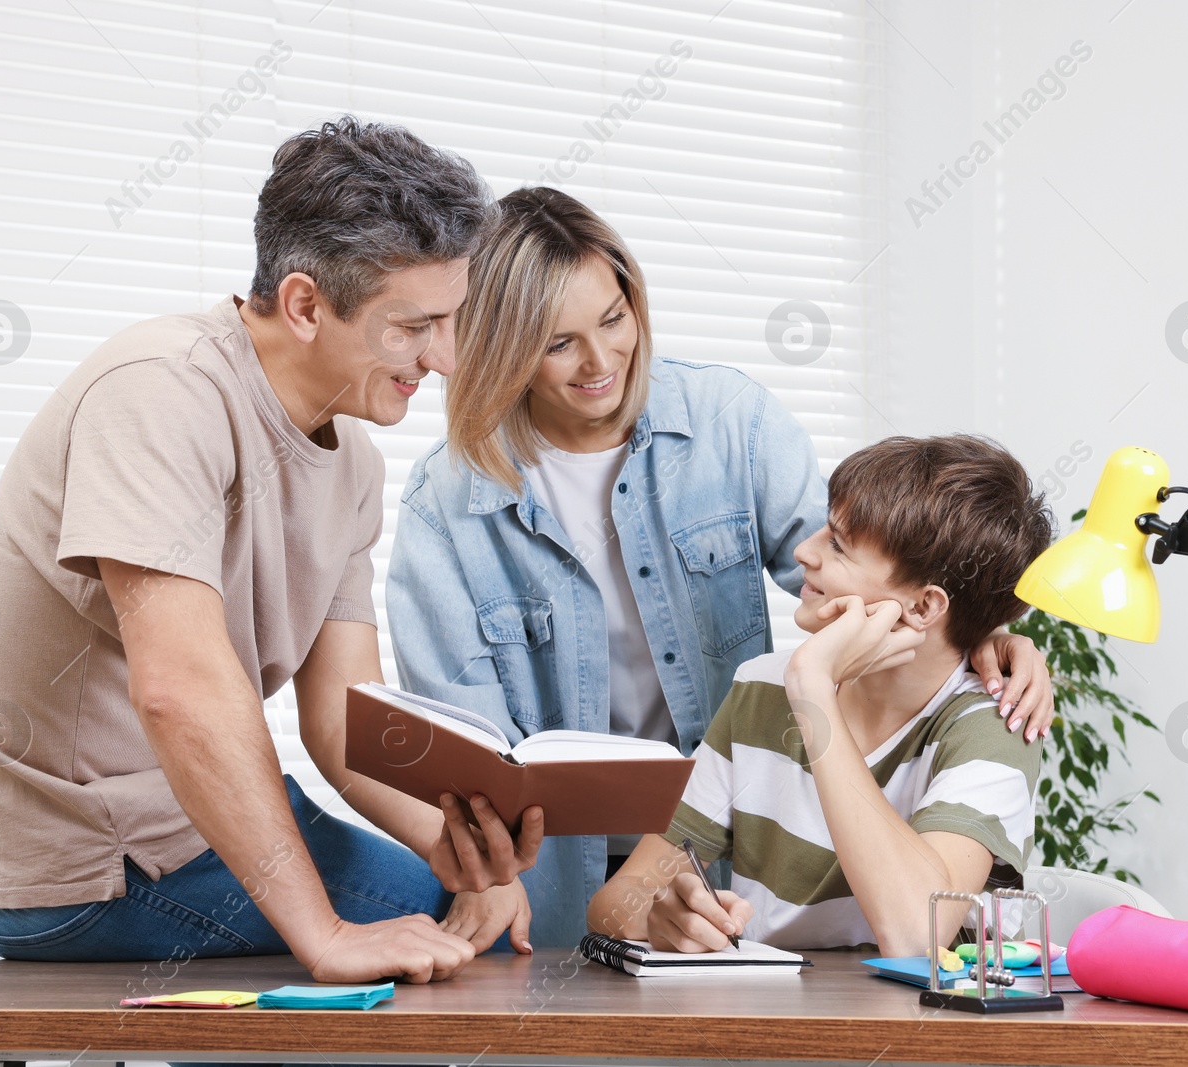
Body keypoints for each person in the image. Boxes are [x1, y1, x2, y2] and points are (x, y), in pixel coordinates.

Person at [0, 117, 542, 986]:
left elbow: (341, 722)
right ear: (304, 304)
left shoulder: (355, 461)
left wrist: (458, 847)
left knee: (463, 914)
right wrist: (327, 936)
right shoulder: (159, 393)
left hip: (189, 825)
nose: (444, 359)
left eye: (451, 321)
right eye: (414, 326)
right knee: (424, 944)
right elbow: (179, 692)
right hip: (85, 864)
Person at [386, 188, 1056, 949]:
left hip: (720, 844)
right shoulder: (447, 505)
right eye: (557, 342)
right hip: (549, 861)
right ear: (504, 347)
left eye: (614, 318)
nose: (602, 361)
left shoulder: (729, 423)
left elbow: (874, 575)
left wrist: (985, 633)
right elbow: (472, 760)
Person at [587, 435, 1054, 955]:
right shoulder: (763, 688)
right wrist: (658, 919)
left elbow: (915, 935)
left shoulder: (994, 724)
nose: (802, 552)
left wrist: (814, 692)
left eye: (837, 545)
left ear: (922, 608)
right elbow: (613, 903)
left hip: (918, 1029)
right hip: (769, 1017)